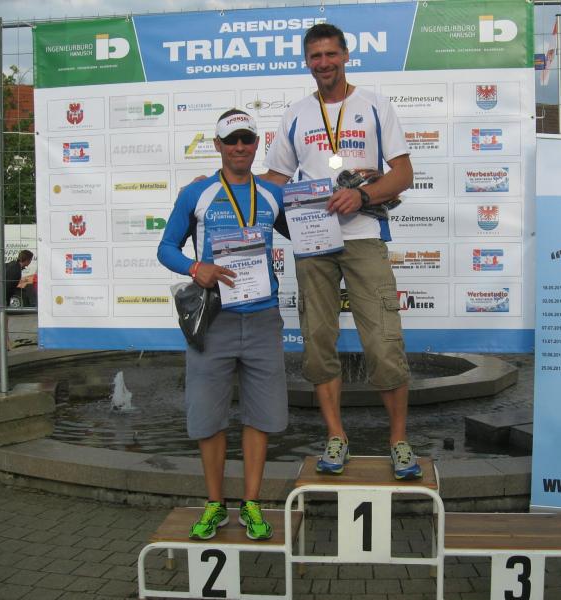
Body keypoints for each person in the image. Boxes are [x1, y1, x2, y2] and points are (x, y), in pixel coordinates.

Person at [263, 23, 421, 480]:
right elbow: (274, 180)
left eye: (331, 54)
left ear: (346, 55)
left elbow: (404, 173)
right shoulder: (296, 114)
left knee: (384, 343)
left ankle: (399, 441)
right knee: (317, 343)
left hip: (364, 234)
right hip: (312, 240)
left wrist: (363, 195)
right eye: (315, 56)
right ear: (306, 62)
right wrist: (226, 187)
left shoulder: (374, 105)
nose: (324, 63)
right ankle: (336, 436)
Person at [157, 109, 289, 541]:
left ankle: (251, 503)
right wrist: (196, 268)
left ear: (257, 144)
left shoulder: (272, 194)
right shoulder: (197, 194)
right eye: (231, 140)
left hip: (263, 318)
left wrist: (354, 197)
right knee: (208, 417)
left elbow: (311, 228)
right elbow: (166, 248)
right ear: (217, 145)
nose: (239, 147)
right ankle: (215, 503)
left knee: (260, 416)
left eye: (247, 139)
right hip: (213, 320)